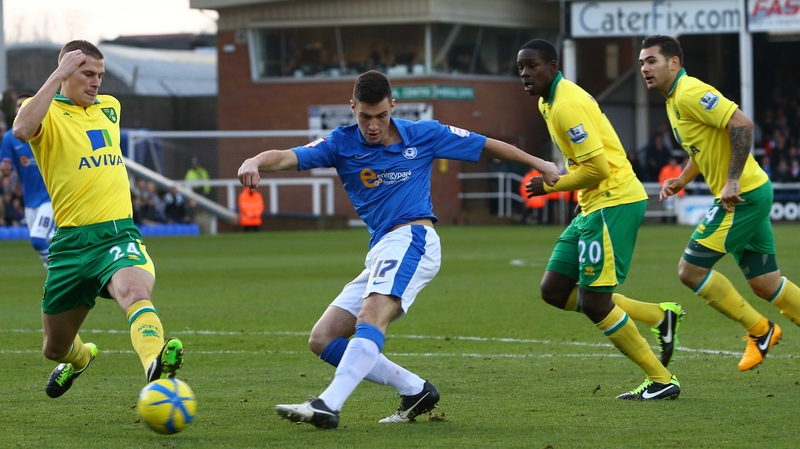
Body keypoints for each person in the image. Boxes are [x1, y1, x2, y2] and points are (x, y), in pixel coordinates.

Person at [237, 70, 561, 429]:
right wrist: (254, 161)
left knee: (370, 316)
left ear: (393, 106)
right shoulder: (340, 144)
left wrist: (540, 163)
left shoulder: (425, 135)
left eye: (380, 116)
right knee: (323, 337)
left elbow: (486, 144)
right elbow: (284, 156)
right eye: (364, 117)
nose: (373, 125)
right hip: (381, 247)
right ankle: (415, 389)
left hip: (413, 238)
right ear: (352, 109)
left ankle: (328, 403)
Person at [11, 40, 184, 399]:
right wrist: (57, 74)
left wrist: (75, 76)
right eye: (88, 74)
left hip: (117, 233)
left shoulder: (110, 107)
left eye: (100, 76)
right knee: (54, 348)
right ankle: (80, 358)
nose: (96, 83)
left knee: (135, 292)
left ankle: (155, 365)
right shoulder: (43, 112)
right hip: (71, 244)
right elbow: (21, 131)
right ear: (66, 73)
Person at [518, 39, 683, 400]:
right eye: (521, 68)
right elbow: (602, 154)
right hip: (594, 201)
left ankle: (661, 379)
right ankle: (659, 316)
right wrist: (581, 194)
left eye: (532, 66)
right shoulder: (550, 102)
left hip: (614, 202)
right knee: (554, 290)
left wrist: (550, 187)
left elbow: (598, 167)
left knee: (596, 301)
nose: (526, 74)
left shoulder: (567, 104)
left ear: (552, 66)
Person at [640, 34, 800, 371]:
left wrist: (732, 179)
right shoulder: (673, 100)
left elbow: (740, 124)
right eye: (641, 62)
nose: (644, 68)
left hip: (742, 195)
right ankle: (765, 328)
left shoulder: (690, 92)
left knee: (690, 271)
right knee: (765, 283)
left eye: (651, 60)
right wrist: (683, 179)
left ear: (674, 63)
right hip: (748, 193)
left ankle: (761, 330)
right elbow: (703, 147)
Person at [1, 92, 56, 268]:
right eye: (18, 105)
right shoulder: (10, 138)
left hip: (51, 199)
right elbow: (6, 168)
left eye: (26, 104)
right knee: (50, 248)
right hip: (30, 202)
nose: (21, 108)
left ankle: (66, 274)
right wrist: (5, 173)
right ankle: (61, 284)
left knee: (38, 240)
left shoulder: (48, 131)